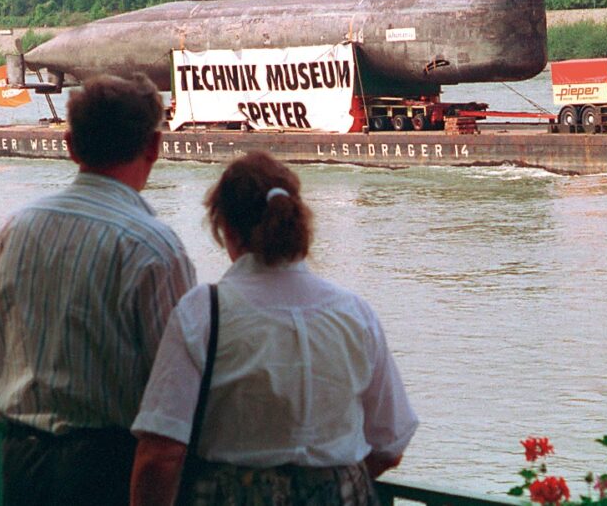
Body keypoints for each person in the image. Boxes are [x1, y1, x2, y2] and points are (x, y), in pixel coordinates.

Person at [130, 151, 418, 506]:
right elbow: (390, 444)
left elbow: (161, 453)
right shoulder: (354, 313)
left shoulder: (204, 312)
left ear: (226, 230)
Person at [0, 74, 196, 506]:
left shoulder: (14, 230)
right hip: (111, 472)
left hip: (20, 464)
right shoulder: (153, 248)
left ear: (70, 145)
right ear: (154, 147)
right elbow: (173, 394)